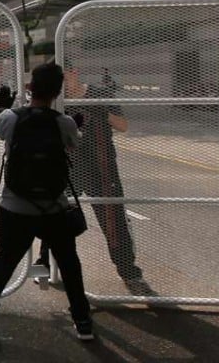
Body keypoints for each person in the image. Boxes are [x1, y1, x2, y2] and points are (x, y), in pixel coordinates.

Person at [0, 63, 94, 341]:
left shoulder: (10, 117)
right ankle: (82, 320)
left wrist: (1, 110)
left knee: (5, 258)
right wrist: (76, 125)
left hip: (15, 207)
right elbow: (73, 145)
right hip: (54, 208)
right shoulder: (63, 122)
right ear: (57, 93)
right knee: (68, 261)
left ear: (29, 88)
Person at [34, 61, 151, 295]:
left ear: (74, 72)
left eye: (64, 76)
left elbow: (123, 125)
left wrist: (101, 111)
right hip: (67, 168)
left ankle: (130, 273)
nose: (62, 84)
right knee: (52, 216)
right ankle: (43, 265)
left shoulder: (99, 93)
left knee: (113, 218)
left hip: (101, 167)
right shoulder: (55, 100)